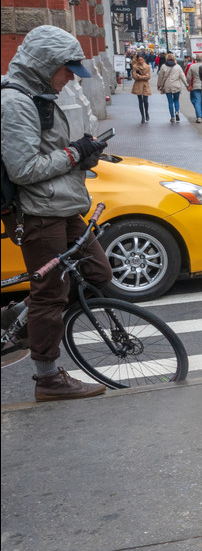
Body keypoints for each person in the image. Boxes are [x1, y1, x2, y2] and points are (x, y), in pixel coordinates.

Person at [0, 25, 112, 401]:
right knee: (50, 297)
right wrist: (74, 153)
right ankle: (48, 381)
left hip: (64, 207)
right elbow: (24, 169)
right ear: (44, 65)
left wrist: (85, 153)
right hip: (39, 215)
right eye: (65, 71)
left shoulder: (40, 94)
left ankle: (19, 314)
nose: (68, 80)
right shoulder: (15, 102)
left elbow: (53, 153)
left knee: (99, 270)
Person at [156, 52, 186, 123]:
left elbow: (160, 77)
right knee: (176, 100)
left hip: (167, 86)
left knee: (170, 101)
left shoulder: (163, 66)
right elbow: (182, 77)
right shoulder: (178, 67)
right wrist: (187, 85)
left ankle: (172, 117)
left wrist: (159, 85)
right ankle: (177, 112)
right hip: (176, 86)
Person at [131, 53, 152, 123]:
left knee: (145, 101)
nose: (140, 61)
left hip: (145, 85)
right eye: (139, 60)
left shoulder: (148, 67)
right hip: (138, 85)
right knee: (140, 101)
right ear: (137, 60)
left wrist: (140, 76)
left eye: (142, 60)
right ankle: (142, 116)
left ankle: (146, 113)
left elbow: (148, 77)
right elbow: (134, 77)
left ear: (143, 59)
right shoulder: (135, 67)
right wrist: (144, 76)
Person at [185, 53, 202, 123]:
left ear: (196, 59)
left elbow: (188, 77)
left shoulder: (192, 66)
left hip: (195, 85)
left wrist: (189, 85)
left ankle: (199, 116)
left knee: (197, 101)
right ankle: (201, 114)